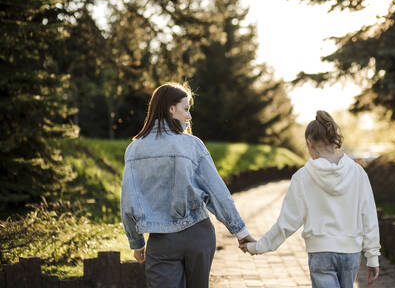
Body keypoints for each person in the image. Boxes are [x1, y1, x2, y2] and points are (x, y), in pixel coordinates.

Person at [120, 82, 255, 288]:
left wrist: (136, 242)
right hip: (198, 235)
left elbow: (128, 202)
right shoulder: (193, 145)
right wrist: (240, 232)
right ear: (171, 109)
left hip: (161, 240)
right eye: (186, 109)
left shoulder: (134, 150)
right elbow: (217, 192)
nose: (189, 116)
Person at [240, 110, 381, 288]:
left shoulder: (302, 176)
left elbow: (287, 223)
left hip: (320, 253)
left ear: (309, 142)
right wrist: (373, 258)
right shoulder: (357, 172)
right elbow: (368, 216)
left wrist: (258, 247)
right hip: (350, 253)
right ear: (333, 140)